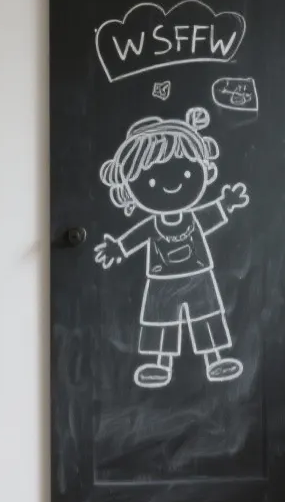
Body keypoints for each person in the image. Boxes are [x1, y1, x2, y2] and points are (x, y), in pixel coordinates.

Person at [93, 107, 250, 389]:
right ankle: (159, 364)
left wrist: (228, 201)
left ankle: (215, 360)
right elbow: (133, 238)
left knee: (207, 318)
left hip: (199, 276)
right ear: (129, 189)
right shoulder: (153, 224)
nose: (172, 185)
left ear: (204, 170)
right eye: (151, 181)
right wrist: (118, 248)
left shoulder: (194, 216)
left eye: (188, 174)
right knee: (161, 323)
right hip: (161, 283)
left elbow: (214, 211)